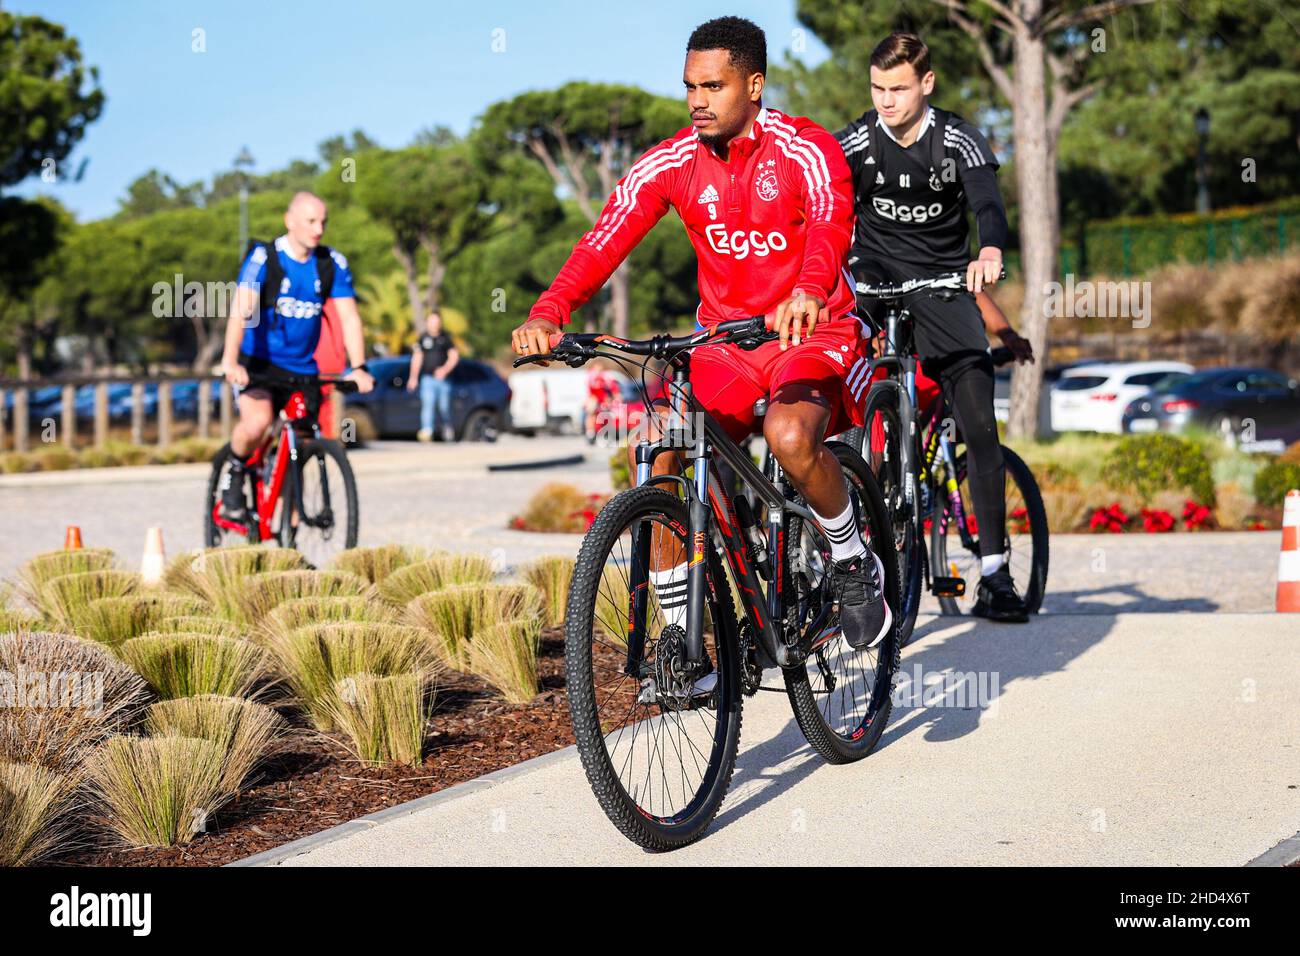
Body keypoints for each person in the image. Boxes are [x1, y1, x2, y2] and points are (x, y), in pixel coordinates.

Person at [511, 16, 891, 665]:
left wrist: (806, 288)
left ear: (754, 85)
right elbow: (606, 237)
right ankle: (680, 639)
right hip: (726, 342)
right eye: (690, 86)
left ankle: (853, 558)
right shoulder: (673, 161)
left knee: (792, 438)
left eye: (713, 86)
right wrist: (550, 310)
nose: (697, 100)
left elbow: (832, 219)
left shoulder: (806, 148)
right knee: (663, 446)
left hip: (814, 327)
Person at [835, 31, 1029, 623]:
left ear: (926, 84)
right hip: (872, 281)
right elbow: (819, 199)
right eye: (877, 88)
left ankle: (995, 575)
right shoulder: (859, 140)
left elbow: (987, 204)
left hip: (943, 284)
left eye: (898, 89)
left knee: (979, 422)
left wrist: (990, 248)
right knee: (824, 369)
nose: (886, 101)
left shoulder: (958, 139)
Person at [219, 191, 374, 519]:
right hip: (258, 365)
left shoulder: (331, 263)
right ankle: (233, 472)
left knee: (302, 442)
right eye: (311, 221)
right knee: (258, 423)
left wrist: (359, 367)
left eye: (323, 221)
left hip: (303, 369)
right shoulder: (266, 258)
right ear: (290, 221)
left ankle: (290, 529)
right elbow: (241, 309)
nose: (319, 229)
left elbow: (349, 318)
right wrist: (230, 361)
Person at [406, 312, 459, 441]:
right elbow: (417, 358)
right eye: (431, 321)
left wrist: (444, 370)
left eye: (436, 321)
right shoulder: (422, 338)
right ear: (426, 323)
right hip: (427, 378)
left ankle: (447, 427)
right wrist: (413, 377)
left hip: (443, 380)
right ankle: (427, 431)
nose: (434, 324)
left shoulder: (446, 338)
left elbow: (454, 356)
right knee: (428, 403)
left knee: (444, 406)